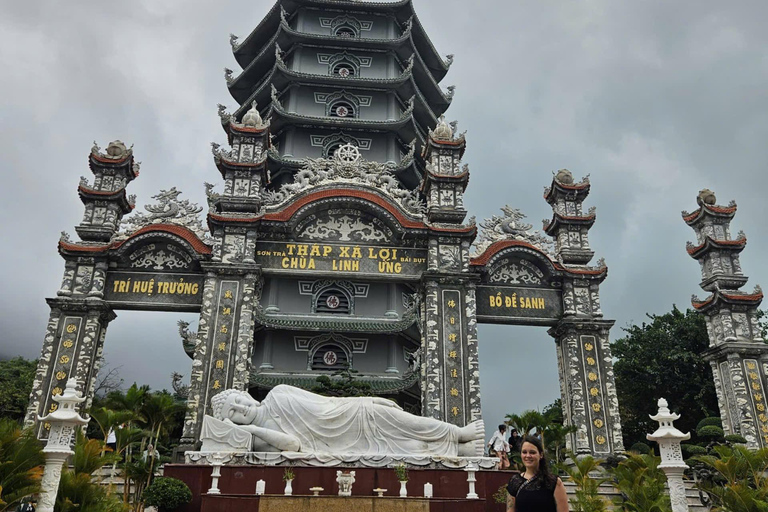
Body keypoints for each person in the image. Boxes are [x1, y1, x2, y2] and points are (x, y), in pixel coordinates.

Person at [210, 385, 485, 457]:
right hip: (334, 443)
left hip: (349, 414)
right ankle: (458, 451)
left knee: (405, 421)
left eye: (238, 400)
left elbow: (324, 402)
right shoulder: (259, 438)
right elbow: (293, 445)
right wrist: (253, 428)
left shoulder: (279, 393)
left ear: (246, 394)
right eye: (233, 412)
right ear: (230, 423)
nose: (240, 408)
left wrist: (365, 401)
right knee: (401, 448)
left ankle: (457, 432)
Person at [506, 436, 568, 512]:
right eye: (524, 452)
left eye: (532, 452)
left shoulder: (553, 482)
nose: (528, 456)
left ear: (541, 455)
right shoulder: (514, 482)